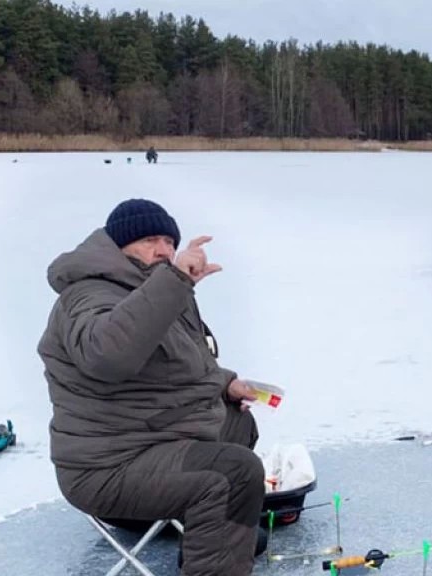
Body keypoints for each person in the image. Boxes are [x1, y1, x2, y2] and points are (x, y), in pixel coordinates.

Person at [38, 198, 266, 576]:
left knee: (238, 425)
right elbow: (108, 356)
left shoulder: (154, 289)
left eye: (168, 241)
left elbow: (180, 367)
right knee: (233, 473)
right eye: (148, 240)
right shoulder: (89, 294)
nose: (163, 250)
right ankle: (213, 534)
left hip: (152, 439)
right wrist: (174, 282)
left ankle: (211, 535)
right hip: (108, 465)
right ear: (120, 245)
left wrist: (226, 386)